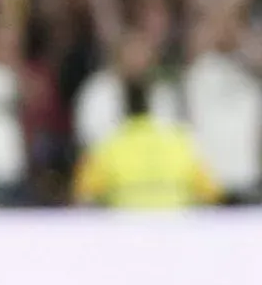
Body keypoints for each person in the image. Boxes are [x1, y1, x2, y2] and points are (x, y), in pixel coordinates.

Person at [74, 79, 222, 210]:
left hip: (124, 231)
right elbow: (211, 194)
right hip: (176, 230)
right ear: (154, 105)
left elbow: (84, 195)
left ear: (124, 107)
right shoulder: (181, 142)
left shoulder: (108, 144)